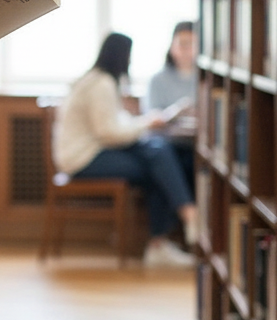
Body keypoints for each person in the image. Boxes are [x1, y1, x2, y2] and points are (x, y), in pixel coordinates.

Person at [53, 32, 198, 268]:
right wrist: (146, 123)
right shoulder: (101, 84)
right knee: (158, 165)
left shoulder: (98, 80)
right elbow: (109, 133)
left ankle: (171, 231)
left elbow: (113, 124)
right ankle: (175, 228)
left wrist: (141, 125)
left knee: (158, 152)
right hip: (82, 159)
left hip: (91, 151)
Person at [146, 21, 197, 190]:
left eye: (192, 44)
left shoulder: (206, 79)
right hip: (169, 143)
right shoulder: (157, 80)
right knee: (163, 163)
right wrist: (176, 111)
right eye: (182, 44)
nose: (187, 50)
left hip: (197, 144)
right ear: (172, 46)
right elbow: (152, 118)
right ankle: (186, 213)